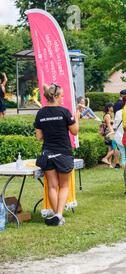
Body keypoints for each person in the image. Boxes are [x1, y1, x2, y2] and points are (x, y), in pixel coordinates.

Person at [34, 83, 80, 226]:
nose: (63, 99)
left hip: (47, 153)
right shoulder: (64, 112)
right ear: (55, 96)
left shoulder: (40, 113)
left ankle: (56, 216)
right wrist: (77, 118)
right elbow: (75, 131)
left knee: (52, 186)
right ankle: (59, 215)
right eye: (62, 96)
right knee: (64, 186)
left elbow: (39, 136)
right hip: (63, 153)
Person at [101, 102, 116, 168]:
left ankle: (109, 164)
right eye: (112, 107)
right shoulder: (107, 116)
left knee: (110, 148)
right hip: (109, 133)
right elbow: (109, 125)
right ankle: (105, 158)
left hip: (108, 133)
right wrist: (112, 132)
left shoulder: (109, 115)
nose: (113, 108)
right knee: (116, 148)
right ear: (109, 108)